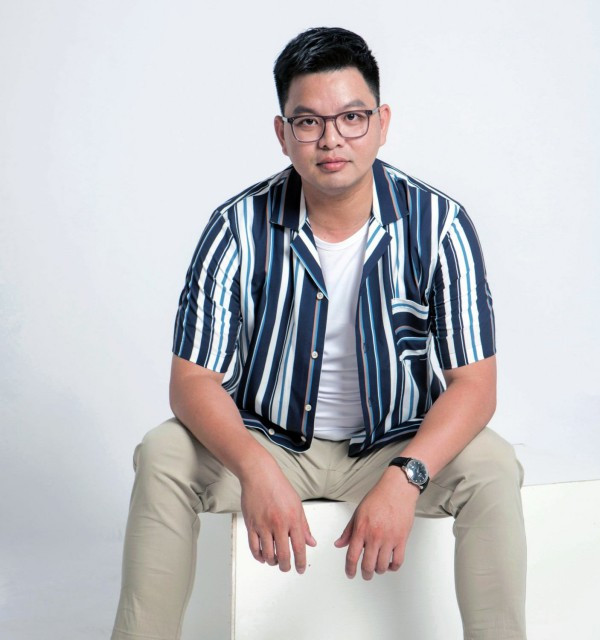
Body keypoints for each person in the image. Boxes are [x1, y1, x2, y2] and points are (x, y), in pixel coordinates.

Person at [111, 26, 527, 640]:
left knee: (492, 465)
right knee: (164, 454)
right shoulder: (237, 227)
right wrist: (255, 468)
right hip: (271, 442)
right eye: (308, 122)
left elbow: (474, 384)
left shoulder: (440, 225)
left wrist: (406, 477)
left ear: (382, 123)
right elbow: (192, 380)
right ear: (283, 134)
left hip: (393, 444)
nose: (332, 139)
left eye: (352, 117)